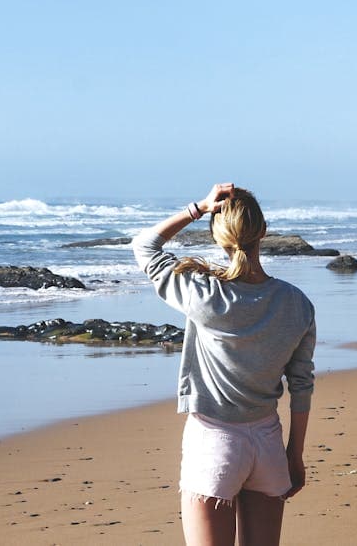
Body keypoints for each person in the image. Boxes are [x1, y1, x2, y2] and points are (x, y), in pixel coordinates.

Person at [131, 183, 316, 546]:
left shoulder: (203, 293)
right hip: (267, 445)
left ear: (219, 238)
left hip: (214, 442)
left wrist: (198, 207)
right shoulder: (297, 304)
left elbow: (145, 246)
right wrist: (294, 455)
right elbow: (301, 386)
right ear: (263, 231)